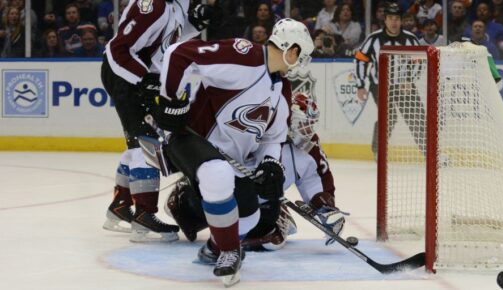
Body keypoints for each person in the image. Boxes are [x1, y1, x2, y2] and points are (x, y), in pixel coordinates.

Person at [147, 18, 313, 287]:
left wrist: (271, 164)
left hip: (229, 161)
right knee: (217, 172)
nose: (301, 63)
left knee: (251, 216)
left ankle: (215, 246)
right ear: (291, 50)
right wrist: (170, 101)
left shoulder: (282, 89)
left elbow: (273, 138)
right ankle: (229, 251)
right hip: (188, 137)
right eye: (302, 55)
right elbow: (179, 53)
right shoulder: (243, 55)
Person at [164, 93, 348, 252]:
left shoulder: (306, 150)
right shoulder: (254, 127)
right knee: (186, 212)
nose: (306, 131)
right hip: (224, 194)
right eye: (302, 125)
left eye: (309, 125)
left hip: (260, 204)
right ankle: (185, 196)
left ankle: (274, 214)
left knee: (268, 239)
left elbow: (317, 177)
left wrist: (325, 206)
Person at [100, 0, 216, 242]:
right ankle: (144, 216)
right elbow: (119, 49)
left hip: (139, 76)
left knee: (138, 142)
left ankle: (120, 206)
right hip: (125, 74)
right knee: (147, 142)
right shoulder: (153, 5)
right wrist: (143, 79)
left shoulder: (177, 3)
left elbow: (167, 38)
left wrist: (193, 24)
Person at [354, 2, 422, 158]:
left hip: (404, 85)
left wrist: (409, 80)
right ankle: (378, 150)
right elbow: (360, 59)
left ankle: (430, 152)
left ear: (401, 20)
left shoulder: (410, 39)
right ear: (385, 20)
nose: (394, 22)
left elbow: (420, 61)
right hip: (379, 85)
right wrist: (360, 85)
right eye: (390, 18)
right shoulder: (374, 39)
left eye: (397, 18)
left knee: (416, 116)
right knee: (388, 116)